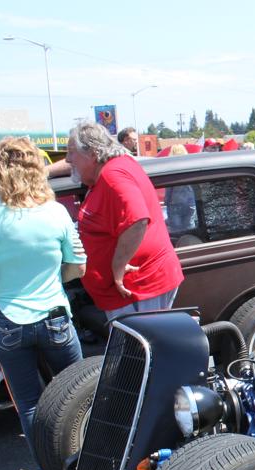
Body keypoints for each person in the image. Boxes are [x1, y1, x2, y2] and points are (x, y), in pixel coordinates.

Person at [0, 136, 87, 470]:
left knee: (30, 404)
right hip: (55, 315)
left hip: (9, 319)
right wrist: (53, 281)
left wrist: (0, 289)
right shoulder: (56, 213)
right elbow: (78, 266)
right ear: (37, 168)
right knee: (81, 395)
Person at [65, 122, 183, 322]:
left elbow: (137, 220)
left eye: (71, 152)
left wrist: (117, 268)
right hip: (132, 290)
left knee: (140, 341)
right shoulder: (114, 164)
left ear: (92, 154)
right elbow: (74, 164)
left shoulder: (112, 176)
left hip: (137, 288)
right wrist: (45, 171)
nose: (68, 159)